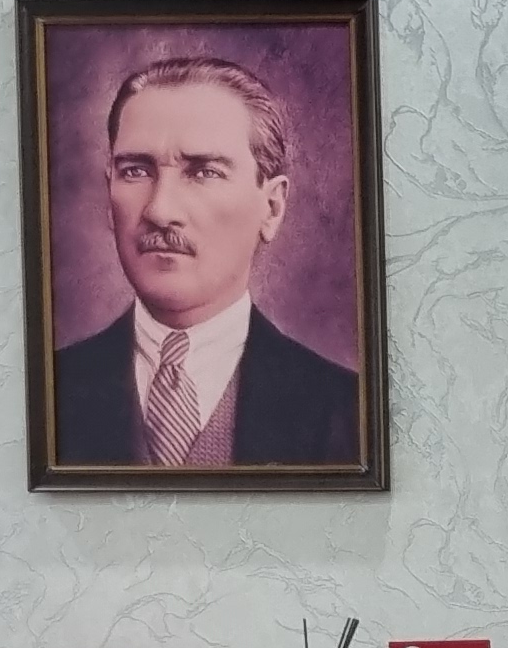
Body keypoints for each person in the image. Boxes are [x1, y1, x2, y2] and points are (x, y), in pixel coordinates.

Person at [50, 55, 363, 468]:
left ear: (271, 207)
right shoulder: (48, 390)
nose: (160, 211)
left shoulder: (348, 412)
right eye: (136, 171)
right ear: (108, 196)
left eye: (204, 172)